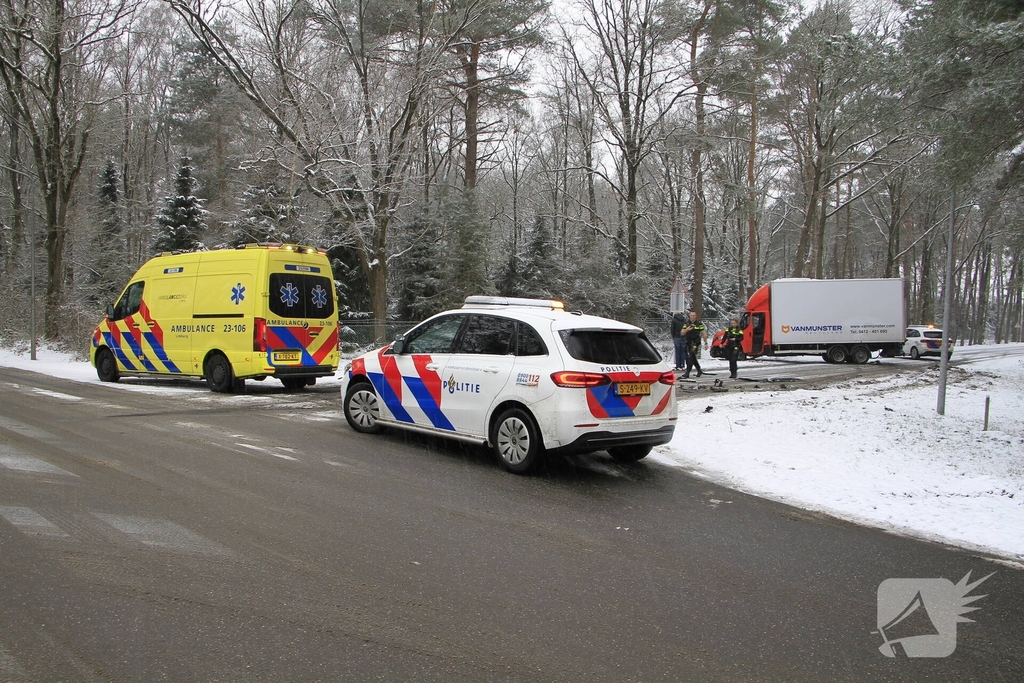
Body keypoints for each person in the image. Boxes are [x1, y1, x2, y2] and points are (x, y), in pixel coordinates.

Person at [681, 310, 707, 378]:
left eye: (694, 316)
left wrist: (706, 343)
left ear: (696, 316)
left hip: (695, 342)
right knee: (691, 357)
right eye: (691, 315)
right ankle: (699, 370)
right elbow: (682, 333)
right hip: (688, 342)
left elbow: (704, 333)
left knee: (691, 355)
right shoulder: (686, 323)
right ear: (689, 316)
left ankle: (687, 372)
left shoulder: (699, 324)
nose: (692, 317)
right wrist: (687, 330)